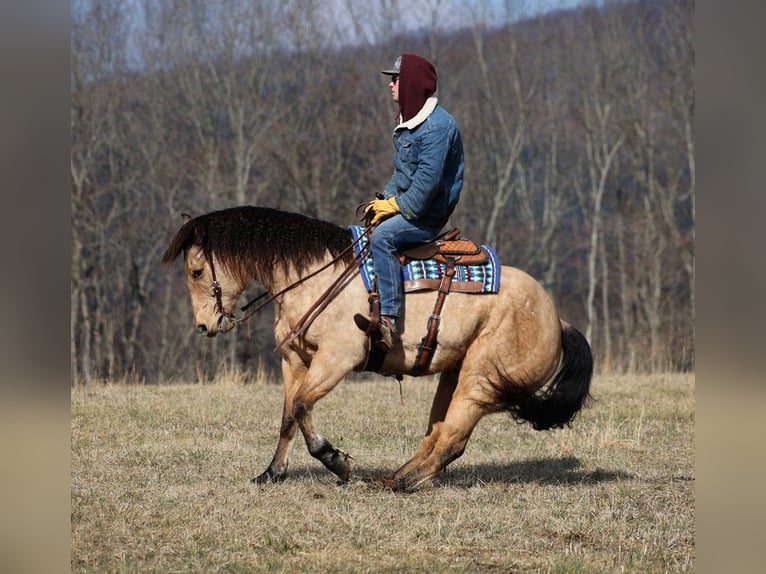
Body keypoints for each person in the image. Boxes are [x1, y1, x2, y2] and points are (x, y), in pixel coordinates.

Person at [359, 53, 465, 351]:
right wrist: (380, 200)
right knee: (364, 231)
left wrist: (392, 207)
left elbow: (420, 196)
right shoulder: (410, 120)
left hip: (425, 216)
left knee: (381, 239)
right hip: (410, 206)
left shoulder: (437, 129)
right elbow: (402, 175)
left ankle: (389, 321)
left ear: (411, 84)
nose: (391, 84)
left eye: (396, 79)